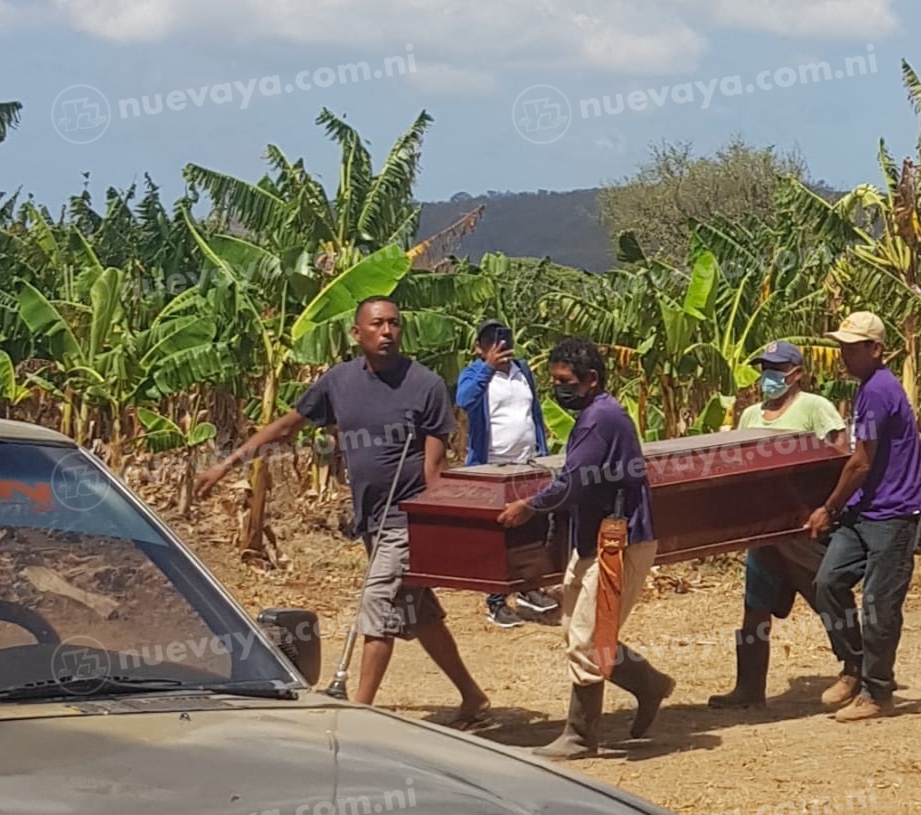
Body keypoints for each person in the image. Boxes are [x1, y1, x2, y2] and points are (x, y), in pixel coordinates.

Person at [193, 296, 490, 728]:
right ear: (357, 333)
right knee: (418, 613)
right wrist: (225, 465)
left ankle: (359, 715)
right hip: (370, 518)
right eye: (377, 324)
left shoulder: (425, 385)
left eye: (394, 323)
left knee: (377, 604)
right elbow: (287, 426)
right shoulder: (338, 382)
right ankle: (473, 697)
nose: (387, 331)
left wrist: (442, 526)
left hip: (406, 518)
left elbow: (434, 468)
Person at [496, 336, 675, 760]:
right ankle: (649, 684)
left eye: (565, 381)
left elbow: (573, 482)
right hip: (596, 540)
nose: (559, 389)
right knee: (576, 627)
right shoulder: (599, 414)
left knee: (589, 637)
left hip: (619, 542)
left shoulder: (599, 419)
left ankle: (580, 735)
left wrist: (529, 506)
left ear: (591, 380)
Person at [707, 340, 850, 709]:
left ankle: (859, 669)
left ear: (797, 373)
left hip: (803, 527)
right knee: (756, 607)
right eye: (764, 369)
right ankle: (749, 688)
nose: (768, 377)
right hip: (763, 529)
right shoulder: (751, 415)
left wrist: (826, 508)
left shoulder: (815, 408)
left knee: (825, 596)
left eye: (777, 369)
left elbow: (841, 455)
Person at [804, 311, 921, 722]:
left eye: (852, 348)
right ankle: (854, 667)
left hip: (894, 513)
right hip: (866, 510)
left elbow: (860, 462)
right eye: (842, 347)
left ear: (875, 349)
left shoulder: (878, 390)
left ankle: (878, 692)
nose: (844, 356)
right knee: (828, 582)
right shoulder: (867, 388)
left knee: (879, 605)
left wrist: (828, 507)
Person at [456, 318, 560, 628]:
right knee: (497, 535)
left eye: (503, 339)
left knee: (530, 528)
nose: (500, 346)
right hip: (492, 464)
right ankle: (496, 601)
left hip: (526, 462)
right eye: (491, 341)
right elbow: (464, 401)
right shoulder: (474, 374)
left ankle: (528, 588)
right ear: (479, 348)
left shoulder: (522, 370)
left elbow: (534, 412)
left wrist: (542, 450)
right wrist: (488, 367)